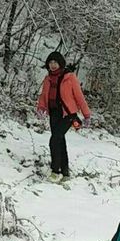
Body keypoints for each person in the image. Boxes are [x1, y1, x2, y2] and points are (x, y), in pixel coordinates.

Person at [36, 52, 91, 182]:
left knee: (54, 140)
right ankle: (65, 172)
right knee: (60, 141)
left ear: (60, 63)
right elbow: (44, 95)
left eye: (55, 62)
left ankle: (55, 171)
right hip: (54, 113)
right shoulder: (48, 79)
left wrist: (86, 114)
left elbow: (79, 96)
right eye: (50, 62)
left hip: (68, 115)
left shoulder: (69, 77)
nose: (53, 65)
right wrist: (41, 108)